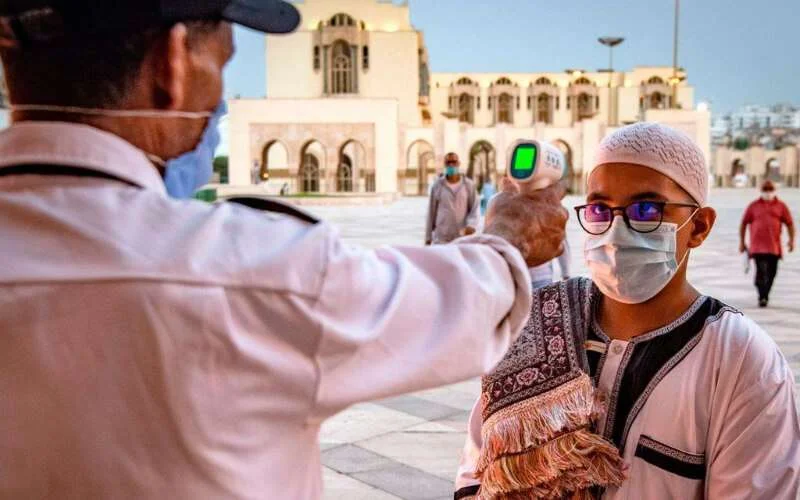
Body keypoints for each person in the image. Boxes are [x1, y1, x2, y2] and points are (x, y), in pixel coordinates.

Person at [0, 1, 569, 498]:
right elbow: (457, 300)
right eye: (221, 62)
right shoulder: (256, 271)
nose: (222, 100)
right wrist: (510, 235)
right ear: (173, 62)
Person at [455, 123, 799, 499]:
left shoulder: (740, 360)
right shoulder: (535, 321)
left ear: (698, 226)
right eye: (601, 209)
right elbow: (478, 474)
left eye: (646, 208)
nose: (617, 231)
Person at [739, 180, 795, 307]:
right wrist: (742, 242)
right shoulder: (753, 206)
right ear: (761, 190)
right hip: (757, 247)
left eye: (770, 189)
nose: (768, 192)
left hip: (774, 247)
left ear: (774, 190)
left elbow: (790, 224)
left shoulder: (781, 206)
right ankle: (762, 296)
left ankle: (765, 294)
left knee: (772, 273)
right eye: (765, 189)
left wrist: (791, 241)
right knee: (761, 271)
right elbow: (743, 223)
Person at [425, 152, 480, 245]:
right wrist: (428, 237)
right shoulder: (438, 185)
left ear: (458, 163)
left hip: (461, 237)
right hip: (442, 237)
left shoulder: (468, 185)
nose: (451, 165)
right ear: (445, 164)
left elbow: (475, 207)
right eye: (448, 162)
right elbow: (431, 212)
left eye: (454, 162)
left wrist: (471, 225)